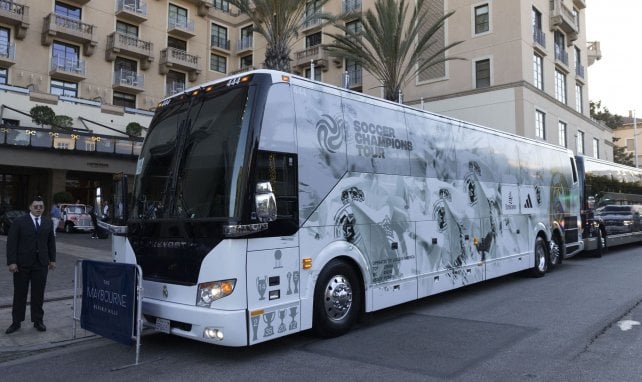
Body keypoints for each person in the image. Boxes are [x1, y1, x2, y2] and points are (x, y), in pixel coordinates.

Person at [5, 196, 56, 334]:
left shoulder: (48, 222)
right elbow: (11, 243)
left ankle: (38, 320)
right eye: (36, 206)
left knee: (38, 294)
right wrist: (12, 262)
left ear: (44, 208)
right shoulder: (19, 222)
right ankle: (16, 322)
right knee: (20, 294)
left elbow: (51, 242)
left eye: (41, 206)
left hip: (41, 264)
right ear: (30, 207)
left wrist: (52, 260)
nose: (38, 208)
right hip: (22, 264)